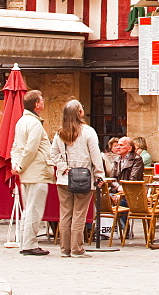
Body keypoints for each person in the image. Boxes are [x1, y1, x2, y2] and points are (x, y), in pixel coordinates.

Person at [50, 100, 104, 258]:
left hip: (64, 178)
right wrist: (99, 174)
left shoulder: (60, 132)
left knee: (65, 214)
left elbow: (53, 153)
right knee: (79, 213)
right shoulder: (88, 132)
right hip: (84, 177)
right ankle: (77, 248)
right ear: (80, 112)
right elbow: (95, 155)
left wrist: (62, 166)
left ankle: (65, 248)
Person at [10, 90, 55, 256]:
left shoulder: (21, 121)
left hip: (27, 172)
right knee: (33, 210)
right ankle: (29, 244)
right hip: (36, 171)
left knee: (28, 209)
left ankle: (26, 242)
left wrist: (16, 164)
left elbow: (15, 147)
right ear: (37, 104)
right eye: (42, 100)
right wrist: (20, 165)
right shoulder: (35, 123)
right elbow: (31, 148)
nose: (43, 102)